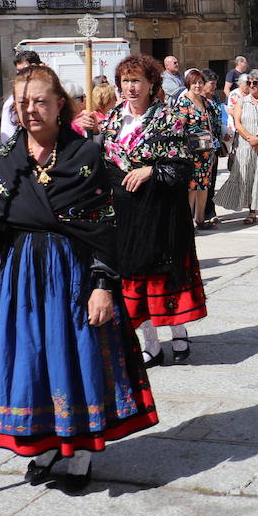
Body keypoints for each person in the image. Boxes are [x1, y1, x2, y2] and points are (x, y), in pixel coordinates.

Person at [0, 65, 157, 495]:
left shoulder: (85, 156)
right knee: (32, 359)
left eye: (40, 101)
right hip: (20, 278)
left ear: (60, 103)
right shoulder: (8, 158)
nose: (31, 110)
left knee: (74, 358)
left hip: (73, 275)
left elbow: (107, 225)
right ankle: (42, 446)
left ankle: (79, 453)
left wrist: (103, 286)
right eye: (23, 103)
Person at [100, 56, 207, 365]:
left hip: (161, 212)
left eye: (137, 81)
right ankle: (151, 344)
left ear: (151, 85)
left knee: (164, 275)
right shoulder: (111, 120)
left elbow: (183, 163)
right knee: (133, 279)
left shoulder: (167, 118)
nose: (130, 87)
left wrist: (150, 171)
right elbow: (103, 161)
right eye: (125, 81)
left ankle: (178, 332)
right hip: (125, 211)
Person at [216, 69, 258, 225]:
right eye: (249, 82)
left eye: (255, 83)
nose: (251, 85)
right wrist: (250, 138)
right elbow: (237, 122)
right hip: (245, 146)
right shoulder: (241, 102)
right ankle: (252, 211)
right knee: (247, 179)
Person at [176, 68, 220, 229]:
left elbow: (212, 125)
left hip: (206, 150)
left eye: (200, 82)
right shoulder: (184, 101)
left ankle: (200, 220)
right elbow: (178, 126)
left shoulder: (204, 101)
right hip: (191, 151)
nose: (197, 85)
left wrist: (214, 149)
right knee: (192, 186)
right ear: (188, 83)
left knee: (203, 185)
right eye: (194, 83)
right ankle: (188, 223)